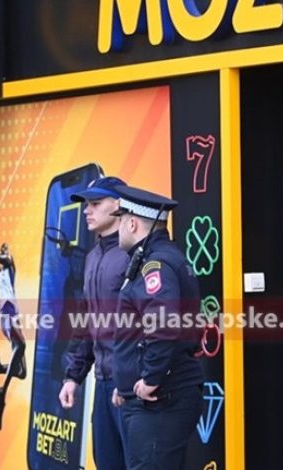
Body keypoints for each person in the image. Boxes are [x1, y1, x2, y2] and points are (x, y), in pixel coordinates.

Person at [110, 185, 203, 470]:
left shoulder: (156, 264)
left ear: (132, 223)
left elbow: (162, 323)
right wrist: (125, 384)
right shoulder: (155, 258)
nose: (118, 228)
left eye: (120, 220)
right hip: (155, 398)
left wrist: (150, 378)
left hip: (161, 399)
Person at [58, 176, 130, 470]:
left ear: (119, 205)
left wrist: (131, 379)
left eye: (96, 203)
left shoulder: (136, 254)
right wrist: (72, 377)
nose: (87, 210)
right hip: (102, 383)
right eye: (87, 204)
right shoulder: (93, 257)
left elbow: (151, 325)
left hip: (131, 386)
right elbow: (87, 322)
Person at [0, 242, 26, 430]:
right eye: (2, 249)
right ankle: (2, 392)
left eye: (5, 249)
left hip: (12, 315)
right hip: (6, 313)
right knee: (21, 346)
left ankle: (0, 367)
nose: (4, 251)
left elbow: (0, 258)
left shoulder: (9, 263)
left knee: (22, 372)